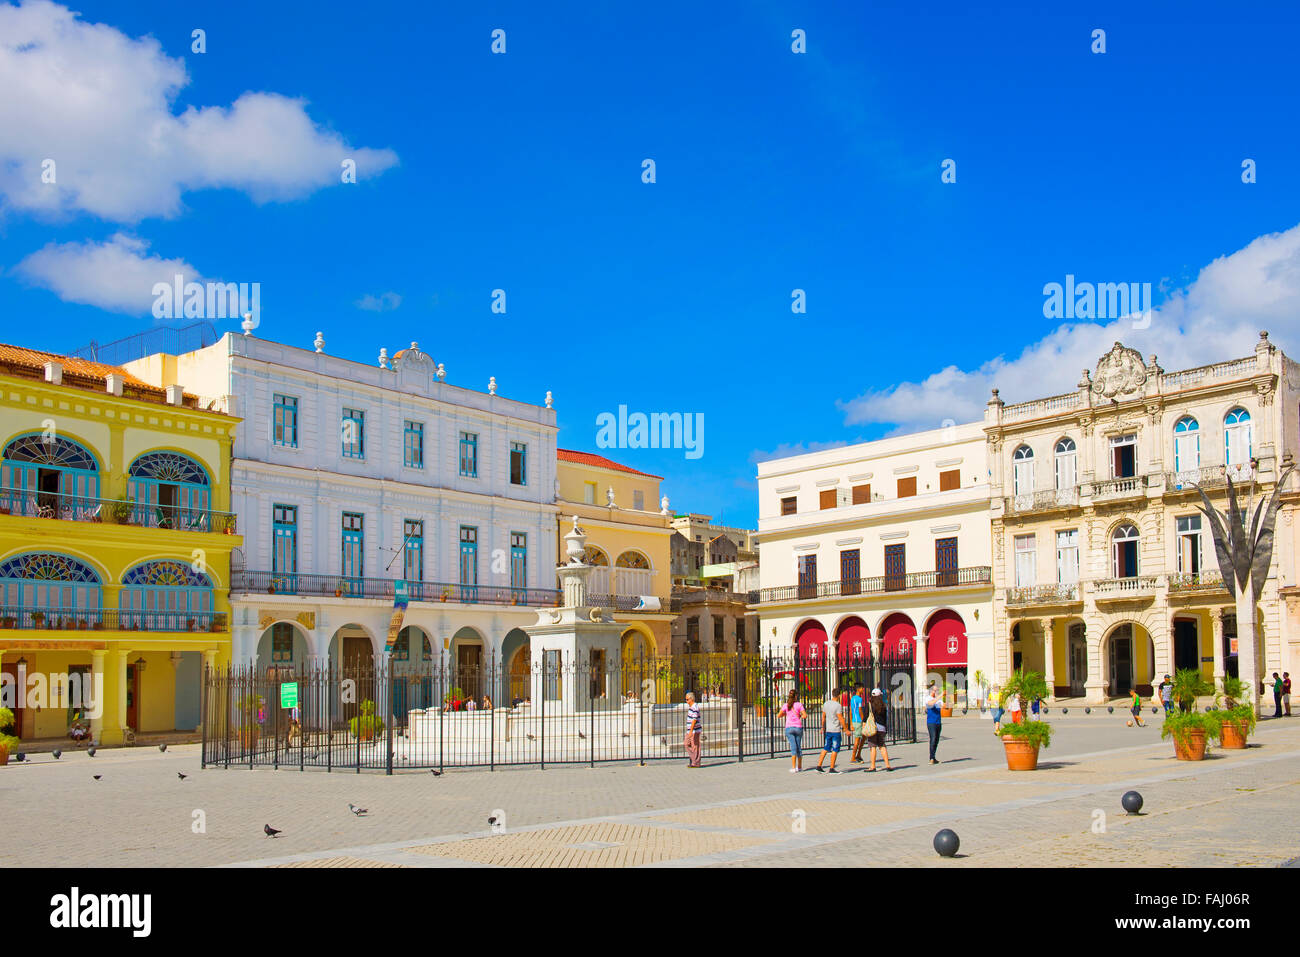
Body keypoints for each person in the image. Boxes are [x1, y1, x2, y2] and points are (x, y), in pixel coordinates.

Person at [816, 687, 845, 773]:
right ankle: (832, 767)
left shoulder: (826, 704)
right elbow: (840, 718)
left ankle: (819, 765)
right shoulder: (838, 705)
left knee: (826, 747)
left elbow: (823, 717)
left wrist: (822, 727)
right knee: (835, 749)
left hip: (828, 729)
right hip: (835, 730)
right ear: (839, 695)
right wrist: (846, 729)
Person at [776, 689, 806, 773]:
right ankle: (799, 767)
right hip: (798, 727)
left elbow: (779, 715)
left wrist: (787, 714)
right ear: (796, 696)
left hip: (789, 727)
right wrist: (799, 715)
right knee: (798, 747)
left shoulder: (786, 705)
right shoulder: (799, 705)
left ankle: (793, 767)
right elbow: (805, 715)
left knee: (793, 747)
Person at [866, 688, 892, 771]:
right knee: (882, 746)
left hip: (873, 727)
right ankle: (888, 765)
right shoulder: (883, 705)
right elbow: (885, 718)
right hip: (882, 728)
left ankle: (873, 766)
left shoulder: (870, 704)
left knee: (873, 747)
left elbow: (866, 716)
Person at [925, 682, 942, 764]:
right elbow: (931, 703)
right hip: (931, 722)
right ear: (931, 691)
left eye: (937, 690)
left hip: (938, 722)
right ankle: (931, 758)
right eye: (935, 690)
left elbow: (944, 706)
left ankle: (933, 756)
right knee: (933, 738)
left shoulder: (939, 699)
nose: (936, 692)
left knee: (937, 740)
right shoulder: (928, 698)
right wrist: (940, 696)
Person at [849, 684, 867, 763]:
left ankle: (858, 754)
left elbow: (850, 711)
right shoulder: (859, 699)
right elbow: (860, 710)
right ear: (858, 689)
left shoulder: (852, 698)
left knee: (863, 737)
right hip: (859, 720)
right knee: (857, 739)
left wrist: (851, 722)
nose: (863, 689)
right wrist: (864, 720)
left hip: (854, 720)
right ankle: (853, 757)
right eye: (862, 688)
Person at [684, 691, 702, 767]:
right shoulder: (692, 707)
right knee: (686, 744)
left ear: (691, 699)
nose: (686, 701)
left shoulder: (695, 707)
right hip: (690, 731)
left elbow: (694, 719)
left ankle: (695, 762)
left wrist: (691, 730)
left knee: (695, 746)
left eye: (687, 699)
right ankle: (694, 760)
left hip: (694, 730)